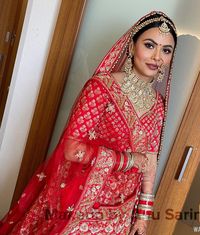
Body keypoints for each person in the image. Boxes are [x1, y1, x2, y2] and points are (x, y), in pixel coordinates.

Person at [0, 10, 177, 235]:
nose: (157, 57)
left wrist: (142, 217)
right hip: (81, 201)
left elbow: (150, 161)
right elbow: (72, 149)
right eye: (150, 45)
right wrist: (129, 160)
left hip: (121, 212)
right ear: (132, 47)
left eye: (166, 50)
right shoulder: (101, 88)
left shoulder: (158, 105)